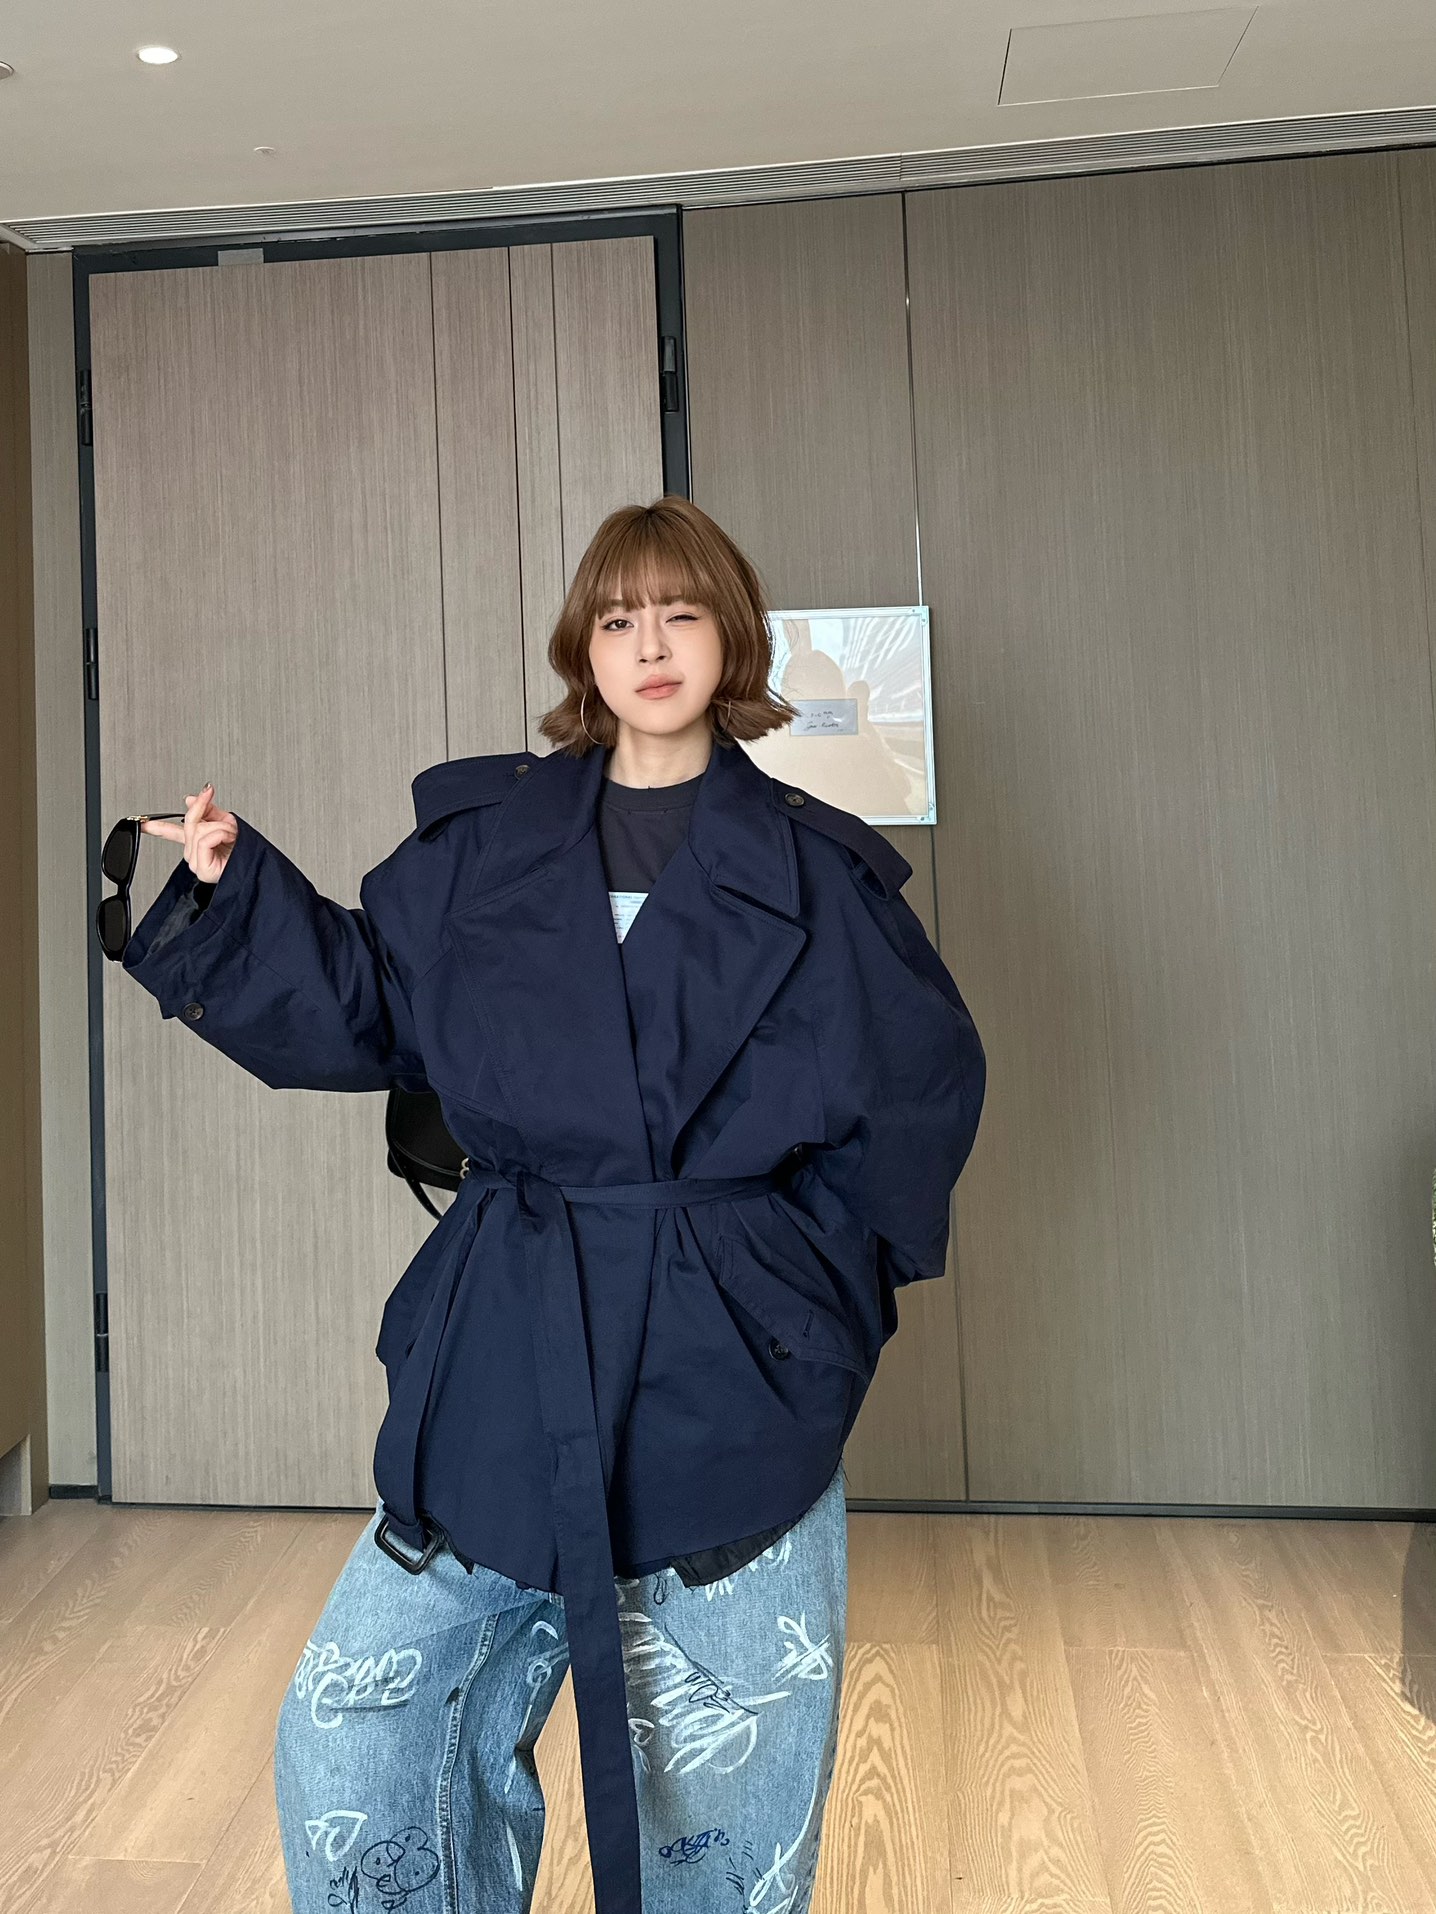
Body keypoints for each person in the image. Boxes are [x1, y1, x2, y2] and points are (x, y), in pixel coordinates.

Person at [122, 495, 987, 1914]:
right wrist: (234, 893)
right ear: (583, 646)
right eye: (620, 618)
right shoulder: (487, 844)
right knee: (365, 1741)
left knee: (728, 1801)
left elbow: (916, 1095)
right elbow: (372, 1004)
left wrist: (803, 1301)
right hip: (510, 1342)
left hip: (728, 1368)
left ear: (732, 638)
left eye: (682, 614)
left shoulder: (823, 875)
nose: (651, 646)